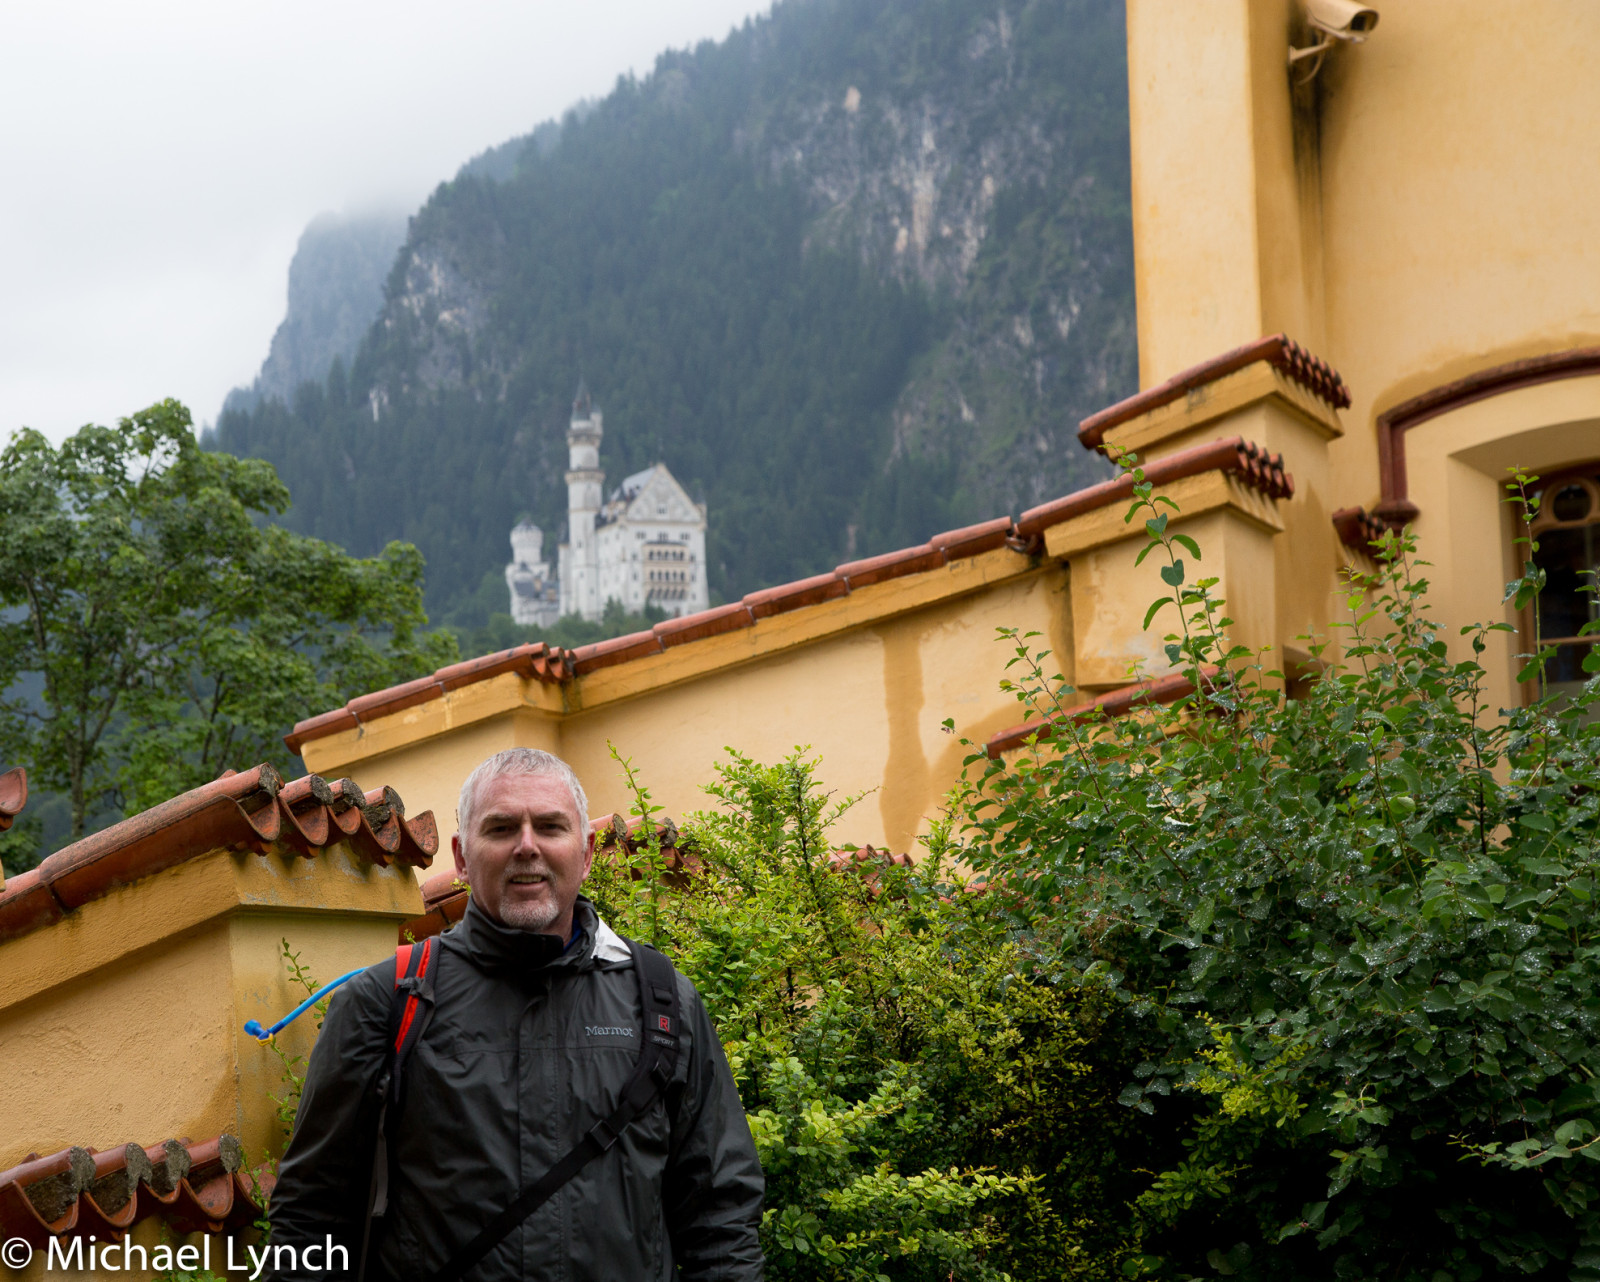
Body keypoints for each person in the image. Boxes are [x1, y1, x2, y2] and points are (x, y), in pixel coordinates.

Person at [267, 748, 765, 1281]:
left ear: (587, 852)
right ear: (461, 856)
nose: (527, 847)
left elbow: (721, 1216)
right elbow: (309, 1219)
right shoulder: (386, 1002)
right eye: (501, 828)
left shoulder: (663, 1002)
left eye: (550, 827)